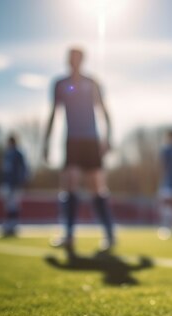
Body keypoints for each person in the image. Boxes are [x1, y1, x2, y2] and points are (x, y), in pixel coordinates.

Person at [43, 47, 115, 255]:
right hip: (72, 141)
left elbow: (104, 110)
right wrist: (46, 142)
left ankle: (109, 235)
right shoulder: (60, 84)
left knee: (96, 187)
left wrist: (108, 137)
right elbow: (53, 114)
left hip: (91, 141)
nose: (74, 61)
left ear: (83, 60)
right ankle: (68, 234)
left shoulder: (92, 83)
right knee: (70, 183)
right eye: (71, 58)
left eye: (77, 58)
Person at [0, 134, 28, 237]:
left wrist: (20, 181)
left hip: (15, 184)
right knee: (8, 205)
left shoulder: (18, 154)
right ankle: (9, 225)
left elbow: (24, 169)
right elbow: (5, 170)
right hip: (7, 183)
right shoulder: (7, 154)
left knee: (14, 205)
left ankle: (13, 226)